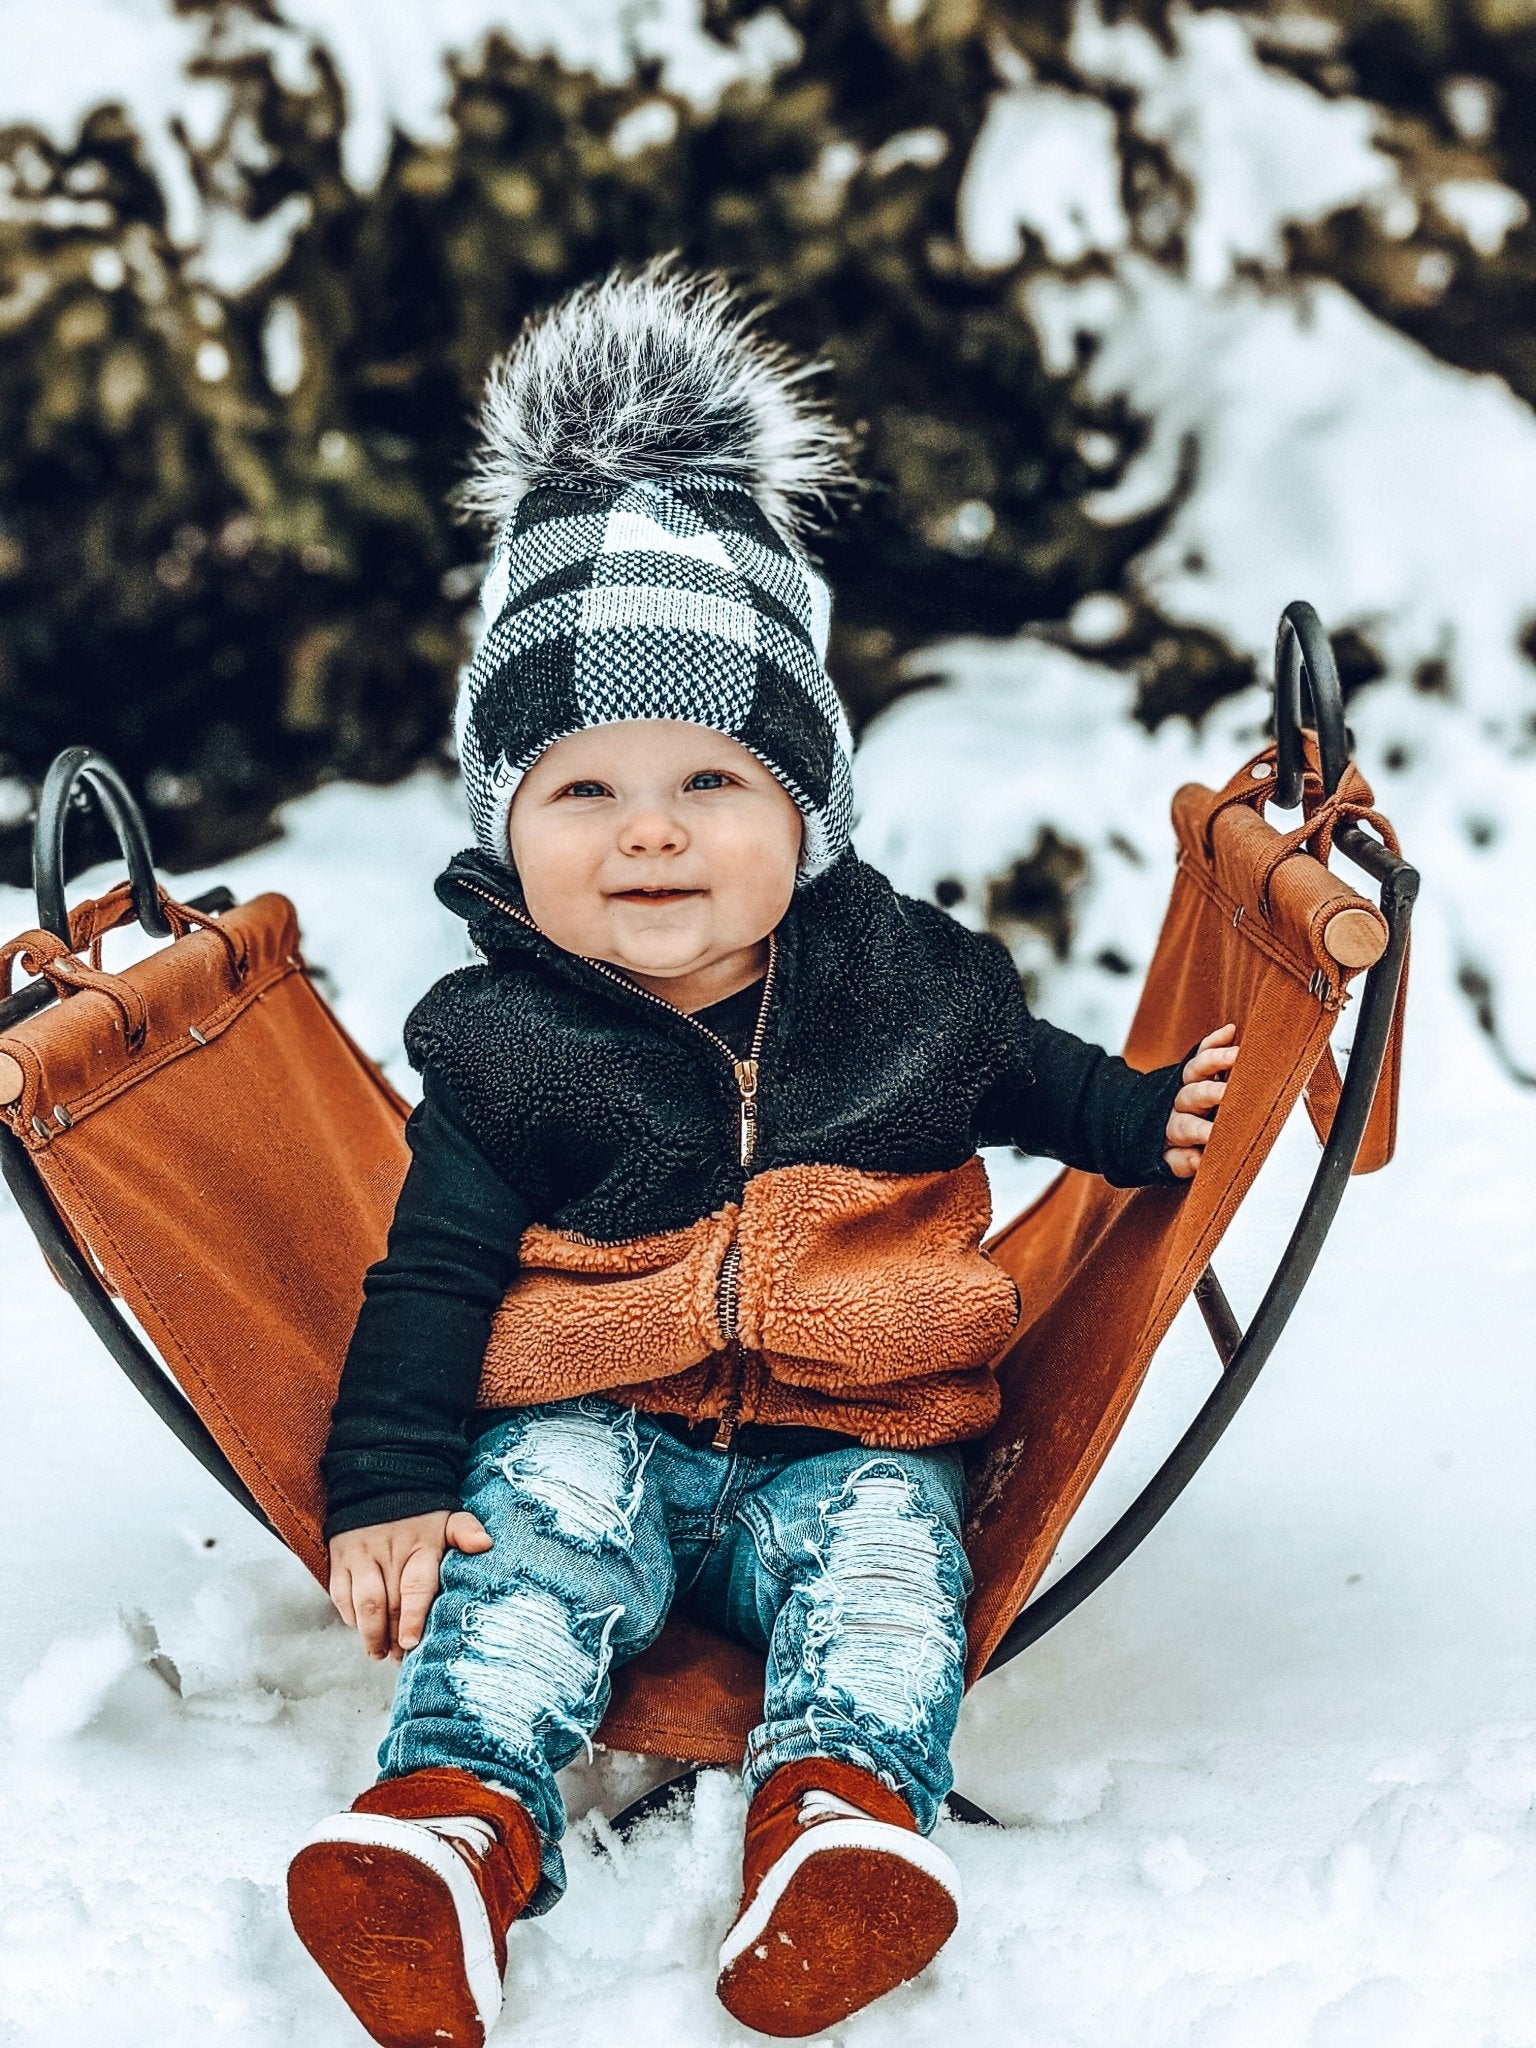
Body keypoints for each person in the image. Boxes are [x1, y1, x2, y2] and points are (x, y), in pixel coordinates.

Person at [284, 255, 1239, 2046]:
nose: (650, 836)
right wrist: (392, 1487)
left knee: (886, 1582)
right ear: (509, 833)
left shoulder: (904, 980)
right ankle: (452, 1827)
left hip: (860, 1433)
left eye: (713, 783)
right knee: (527, 1560)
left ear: (808, 816)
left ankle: (844, 1832)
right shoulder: (505, 1042)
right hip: (596, 1418)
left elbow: (1022, 1076)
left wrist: (1140, 1113)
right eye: (583, 791)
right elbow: (429, 1278)